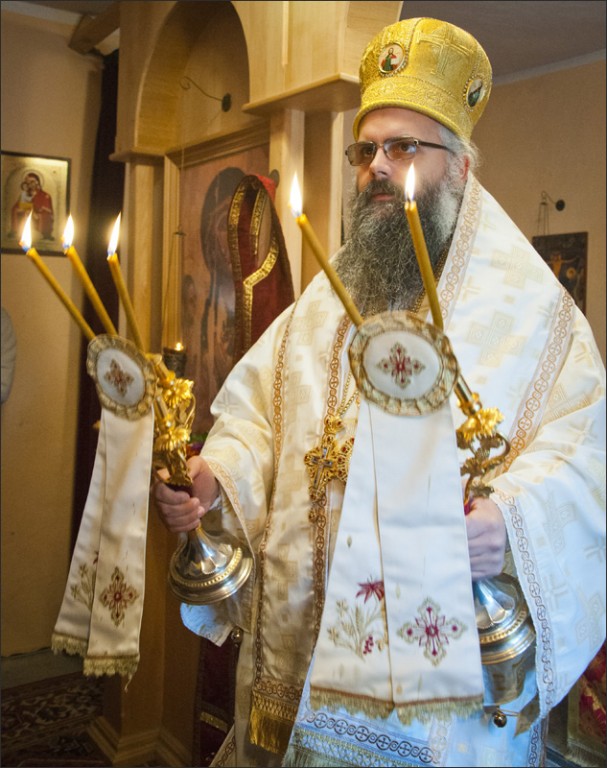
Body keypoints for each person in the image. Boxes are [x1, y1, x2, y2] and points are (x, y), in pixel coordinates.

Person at [154, 17, 606, 768]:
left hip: (440, 713)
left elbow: (585, 460)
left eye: (403, 148)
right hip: (295, 663)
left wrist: (508, 523)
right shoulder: (330, 297)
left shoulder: (536, 315)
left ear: (460, 166)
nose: (376, 168)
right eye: (365, 151)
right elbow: (259, 420)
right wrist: (214, 477)